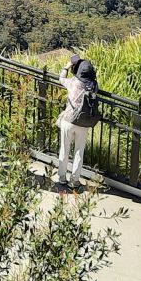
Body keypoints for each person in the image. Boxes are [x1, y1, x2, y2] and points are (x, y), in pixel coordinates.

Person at [54, 57, 100, 191]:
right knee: (79, 151)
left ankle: (62, 177)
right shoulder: (94, 85)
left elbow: (61, 79)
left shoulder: (74, 81)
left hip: (68, 119)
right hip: (84, 121)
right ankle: (75, 180)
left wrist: (66, 67)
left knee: (65, 149)